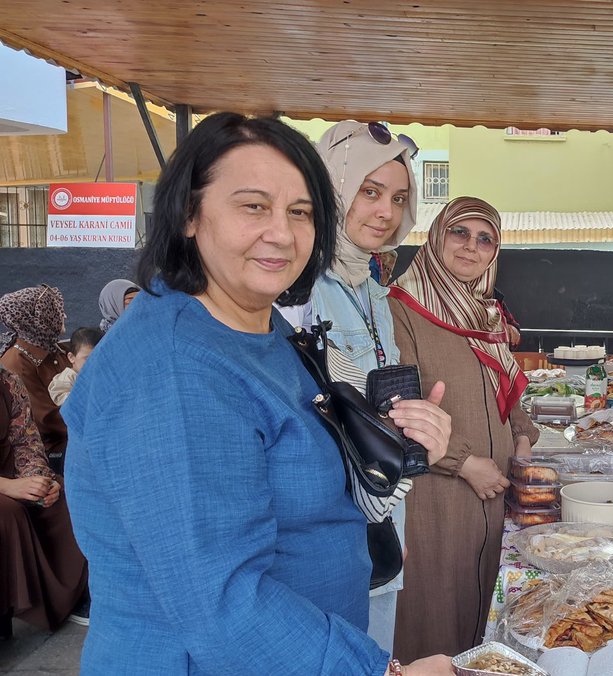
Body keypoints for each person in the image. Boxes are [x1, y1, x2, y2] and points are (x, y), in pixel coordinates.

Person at [61, 112, 452, 675]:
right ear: (189, 214)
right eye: (253, 206)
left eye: (300, 212)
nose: (282, 233)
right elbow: (222, 601)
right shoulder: (173, 369)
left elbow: (295, 478)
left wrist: (389, 448)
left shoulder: (261, 329)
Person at [278, 120, 444, 654]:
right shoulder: (295, 290)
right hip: (324, 533)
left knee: (377, 651)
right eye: (369, 192)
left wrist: (415, 431)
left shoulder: (374, 292)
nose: (386, 212)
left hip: (380, 512)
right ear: (332, 190)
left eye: (398, 198)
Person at [388, 196, 540, 660]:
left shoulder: (484, 312)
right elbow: (397, 407)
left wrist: (521, 437)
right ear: (437, 236)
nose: (472, 246)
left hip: (493, 494)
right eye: (460, 232)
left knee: (483, 618)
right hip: (437, 495)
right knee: (434, 617)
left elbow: (506, 388)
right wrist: (465, 463)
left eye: (485, 239)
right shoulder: (401, 307)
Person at [1, 365, 88, 632]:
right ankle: (15, 606)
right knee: (7, 513)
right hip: (5, 486)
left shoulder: (7, 381)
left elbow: (26, 441)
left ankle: (74, 597)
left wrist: (38, 480)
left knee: (63, 494)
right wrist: (8, 487)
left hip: (12, 474)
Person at [0, 286, 69, 471]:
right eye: (55, 311)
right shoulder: (16, 364)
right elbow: (47, 420)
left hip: (73, 434)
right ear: (37, 320)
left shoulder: (53, 349)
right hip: (51, 451)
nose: (64, 316)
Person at [49, 327, 104, 406]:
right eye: (87, 358)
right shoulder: (66, 379)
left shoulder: (102, 373)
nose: (94, 362)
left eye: (99, 357)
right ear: (71, 357)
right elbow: (61, 398)